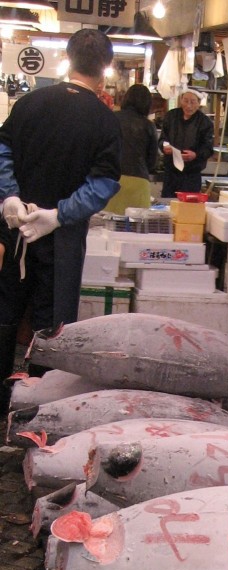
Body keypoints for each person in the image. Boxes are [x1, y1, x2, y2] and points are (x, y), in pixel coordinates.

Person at [0, 28, 121, 411]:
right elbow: (102, 185)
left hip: (15, 230)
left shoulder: (29, 104)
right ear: (105, 67)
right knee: (52, 329)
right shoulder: (104, 120)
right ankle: (37, 407)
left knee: (4, 315)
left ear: (67, 59)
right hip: (61, 240)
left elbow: (2, 150)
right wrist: (59, 215)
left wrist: (11, 196)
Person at [104, 84, 158, 215]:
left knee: (106, 229)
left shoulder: (110, 118)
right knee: (136, 231)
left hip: (110, 180)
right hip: (139, 181)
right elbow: (152, 162)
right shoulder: (149, 126)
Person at [158, 90, 214, 198]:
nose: (188, 105)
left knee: (189, 208)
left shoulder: (205, 122)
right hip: (171, 174)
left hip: (191, 175)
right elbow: (162, 139)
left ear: (199, 103)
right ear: (181, 100)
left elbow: (208, 148)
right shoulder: (171, 116)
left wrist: (195, 155)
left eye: (193, 102)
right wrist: (164, 146)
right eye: (185, 101)